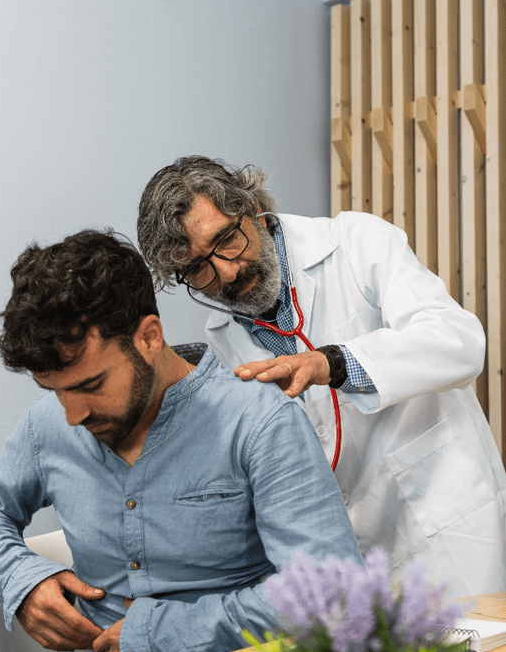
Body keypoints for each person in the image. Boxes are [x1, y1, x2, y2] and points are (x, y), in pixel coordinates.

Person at [0, 229, 361, 652]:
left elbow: (329, 593)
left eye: (91, 385)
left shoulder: (259, 422)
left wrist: (163, 635)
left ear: (150, 338)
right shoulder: (46, 426)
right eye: (55, 391)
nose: (73, 415)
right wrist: (21, 580)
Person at [137, 155, 506, 597]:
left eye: (228, 240)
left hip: (451, 530)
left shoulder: (355, 244)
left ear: (252, 208)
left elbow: (459, 342)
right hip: (356, 564)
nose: (228, 272)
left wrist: (331, 363)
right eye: (199, 268)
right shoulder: (221, 341)